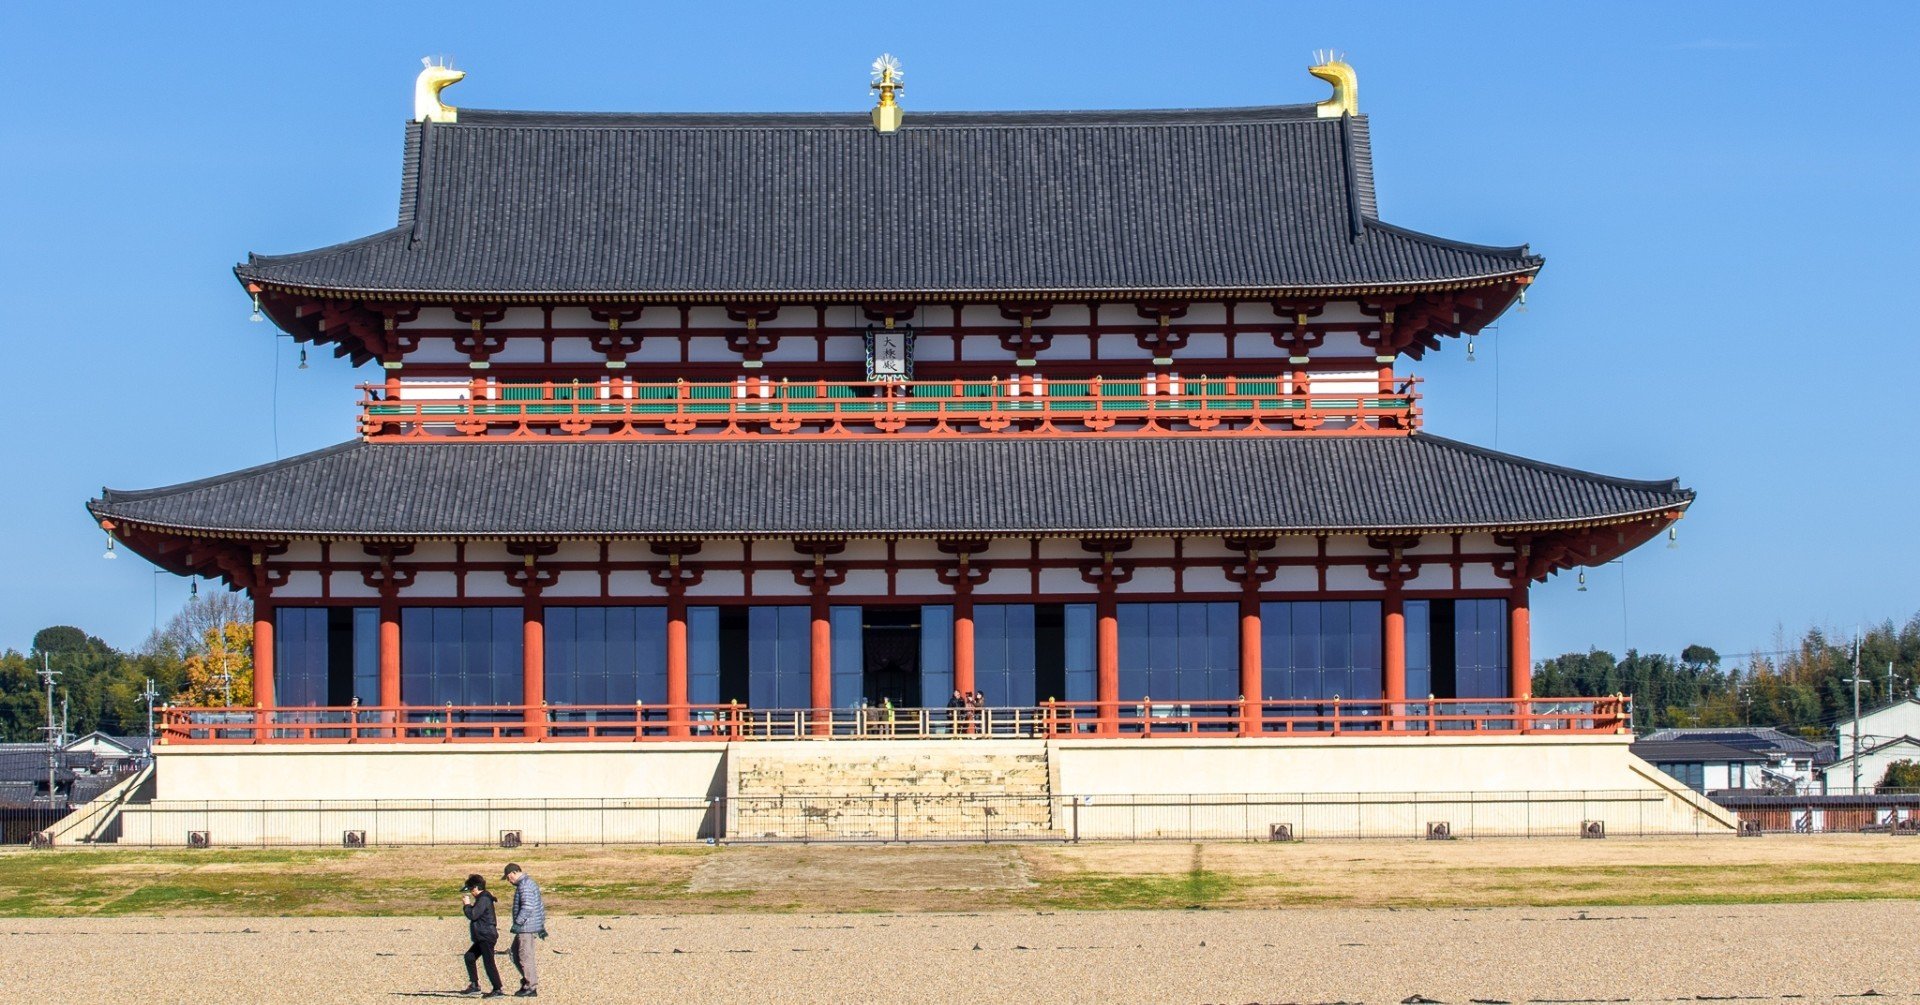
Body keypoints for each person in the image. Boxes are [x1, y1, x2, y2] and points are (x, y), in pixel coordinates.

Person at [502, 863, 546, 997]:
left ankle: (530, 986)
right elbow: (539, 907)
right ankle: (527, 981)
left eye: (508, 878)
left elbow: (527, 907)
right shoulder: (528, 883)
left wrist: (518, 923)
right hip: (529, 926)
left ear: (513, 874)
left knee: (524, 956)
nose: (509, 881)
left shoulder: (525, 885)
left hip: (526, 927)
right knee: (515, 954)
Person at [460, 874, 505, 997]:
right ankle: (474, 985)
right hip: (482, 936)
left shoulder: (484, 899)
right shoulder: (482, 898)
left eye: (470, 889)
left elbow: (473, 915)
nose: (470, 892)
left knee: (488, 962)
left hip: (486, 936)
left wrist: (467, 905)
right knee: (469, 957)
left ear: (475, 888)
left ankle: (498, 989)